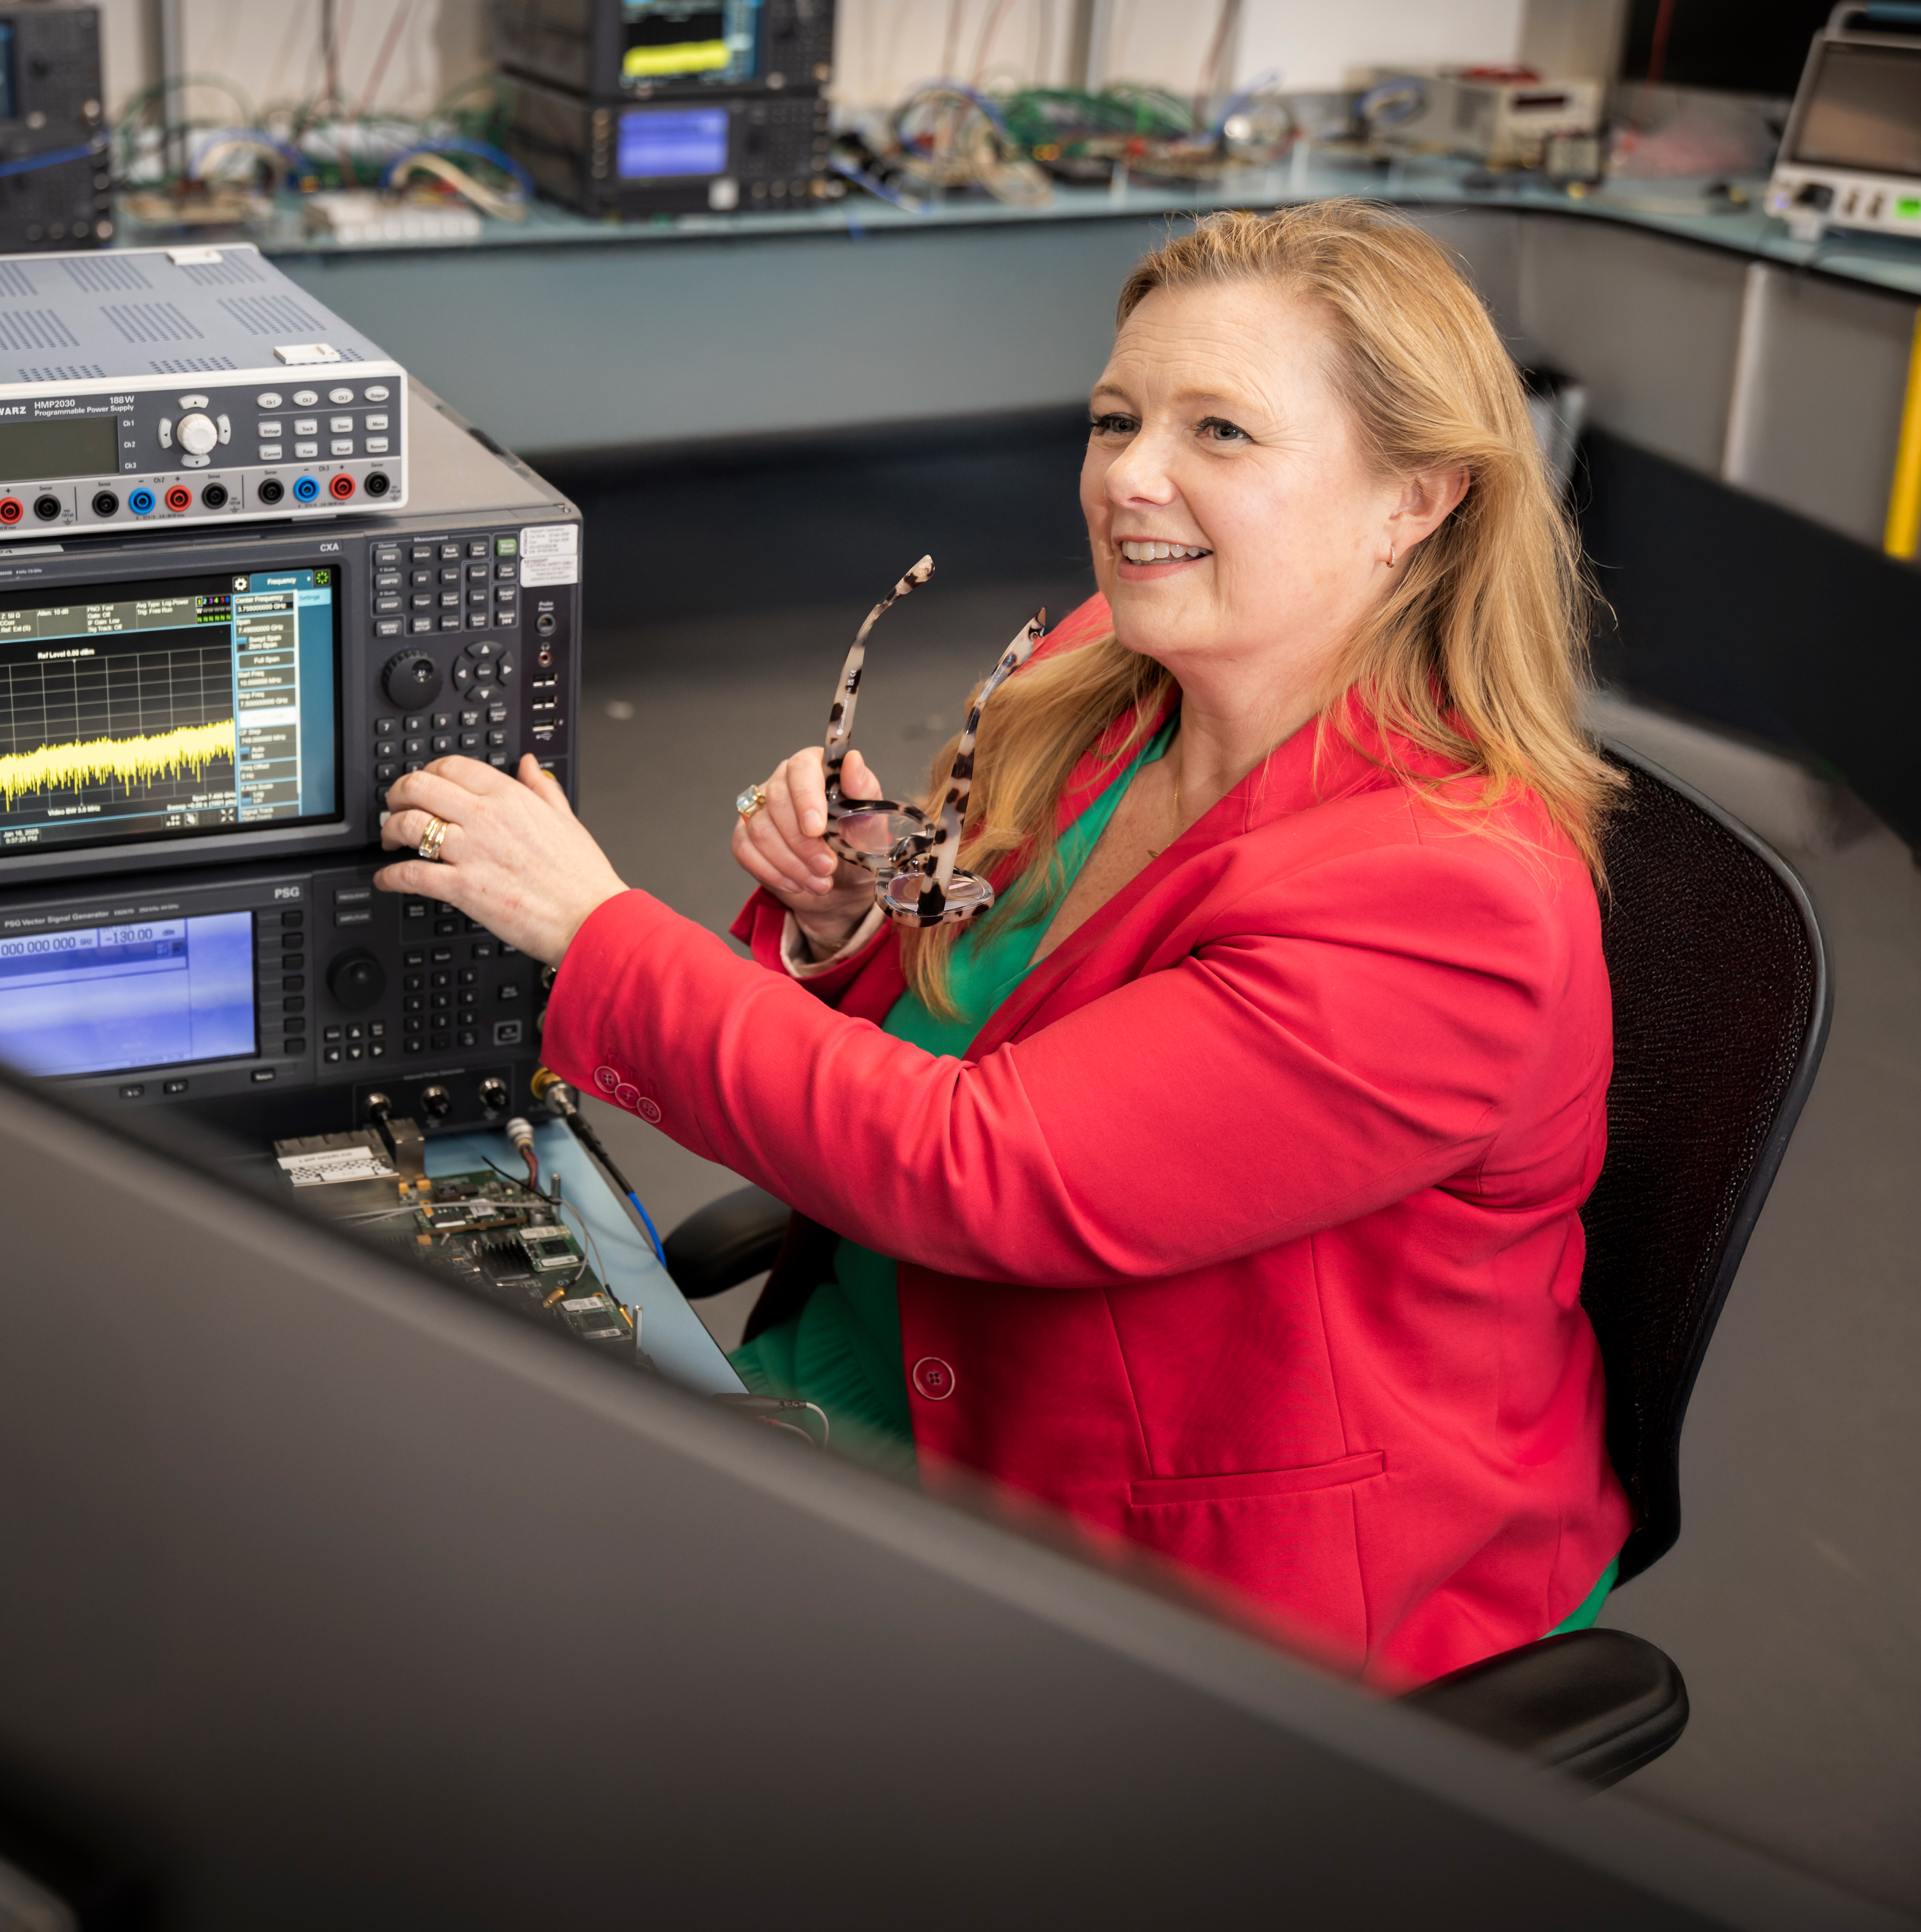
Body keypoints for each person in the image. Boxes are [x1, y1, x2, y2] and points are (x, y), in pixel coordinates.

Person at [371, 200, 1631, 1687]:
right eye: (1116, 419)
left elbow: (981, 1165)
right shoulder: (1118, 674)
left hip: (1188, 1557)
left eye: (1221, 431)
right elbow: (970, 993)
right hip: (903, 1358)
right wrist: (850, 912)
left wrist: (595, 932)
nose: (1130, 477)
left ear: (1414, 498)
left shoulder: (1448, 898)